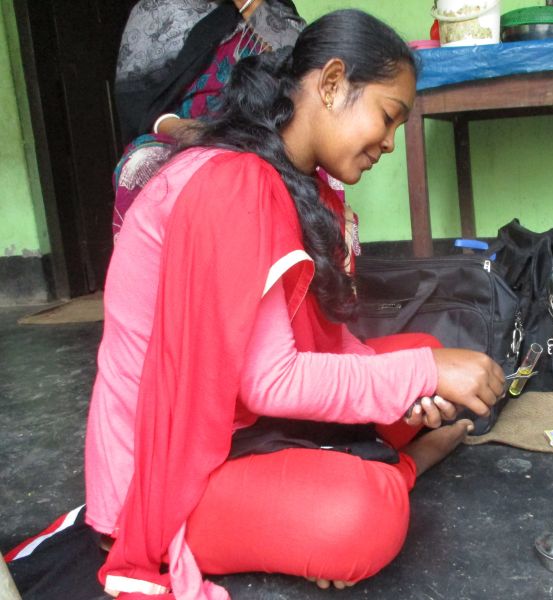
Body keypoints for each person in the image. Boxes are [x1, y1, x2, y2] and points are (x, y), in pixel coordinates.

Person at [86, 9, 505, 600]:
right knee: (366, 512)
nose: (390, 143)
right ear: (331, 84)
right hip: (165, 474)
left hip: (236, 421)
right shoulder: (233, 183)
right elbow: (270, 381)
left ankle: (326, 486)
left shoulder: (291, 180)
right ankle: (404, 468)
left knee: (421, 351)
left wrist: (417, 371)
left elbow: (316, 338)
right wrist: (422, 375)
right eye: (388, 117)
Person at [112, 0, 310, 239]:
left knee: (312, 155)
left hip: (269, 131)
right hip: (186, 134)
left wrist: (250, 6)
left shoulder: (273, 7)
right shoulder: (156, 10)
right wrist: (187, 130)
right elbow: (140, 109)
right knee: (141, 162)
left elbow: (308, 77)